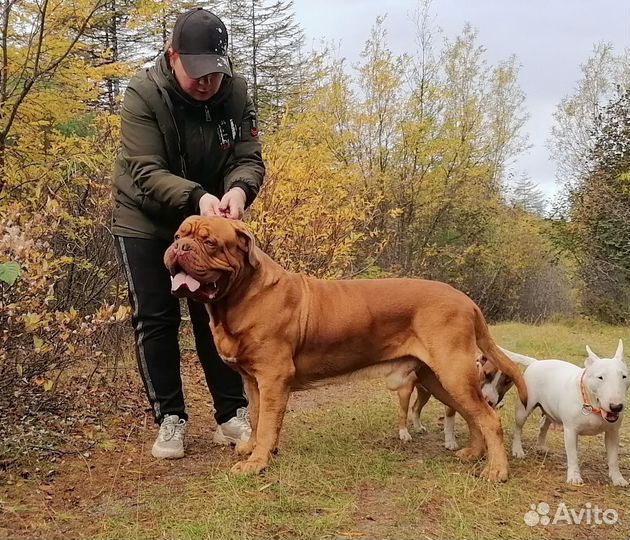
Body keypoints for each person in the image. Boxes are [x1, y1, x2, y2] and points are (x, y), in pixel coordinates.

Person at [111, 8, 265, 459]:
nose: (206, 83)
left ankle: (230, 413)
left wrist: (238, 190)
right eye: (196, 72)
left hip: (210, 221)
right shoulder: (143, 94)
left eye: (214, 73)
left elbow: (249, 157)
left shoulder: (235, 95)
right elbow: (143, 170)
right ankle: (170, 418)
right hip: (146, 219)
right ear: (172, 55)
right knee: (156, 318)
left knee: (216, 313)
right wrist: (197, 197)